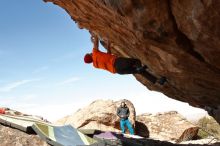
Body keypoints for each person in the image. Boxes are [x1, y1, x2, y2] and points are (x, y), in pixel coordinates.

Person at [84, 35, 167, 85]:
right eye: (89, 54)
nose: (90, 53)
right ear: (89, 56)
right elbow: (96, 42)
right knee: (136, 61)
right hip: (117, 63)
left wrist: (108, 44)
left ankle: (158, 81)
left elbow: (108, 54)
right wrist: (93, 37)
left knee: (139, 71)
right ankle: (139, 68)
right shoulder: (95, 53)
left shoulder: (96, 64)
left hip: (118, 71)